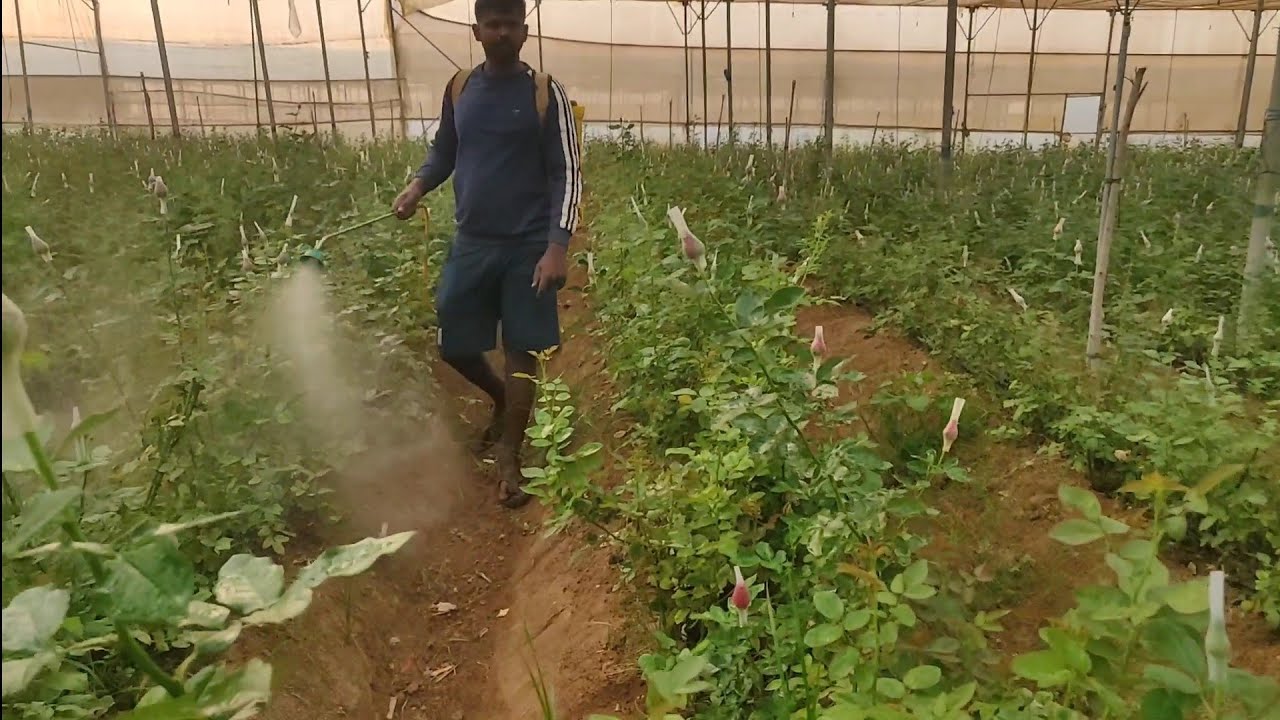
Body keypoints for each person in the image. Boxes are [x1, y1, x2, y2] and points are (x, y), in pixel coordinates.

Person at [392, 0, 582, 509]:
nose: (501, 33)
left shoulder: (546, 93)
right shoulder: (460, 88)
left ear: (525, 31)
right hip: (473, 241)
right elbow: (445, 151)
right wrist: (417, 187)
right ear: (476, 31)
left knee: (523, 348)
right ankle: (499, 398)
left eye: (510, 25)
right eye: (491, 25)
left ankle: (510, 458)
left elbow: (567, 172)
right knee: (452, 339)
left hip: (527, 246)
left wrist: (557, 246)